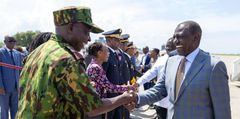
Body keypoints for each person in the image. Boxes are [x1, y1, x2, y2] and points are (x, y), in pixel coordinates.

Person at [16, 6, 134, 119]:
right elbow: (92, 107)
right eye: (86, 32)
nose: (89, 39)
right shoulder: (67, 59)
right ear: (71, 27)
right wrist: (124, 98)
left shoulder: (38, 52)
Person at [127, 20, 231, 119]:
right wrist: (136, 98)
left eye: (180, 37)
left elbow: (222, 110)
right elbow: (159, 90)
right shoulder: (171, 62)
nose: (175, 41)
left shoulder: (213, 66)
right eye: (174, 37)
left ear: (196, 38)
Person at [134, 38, 177, 119]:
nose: (168, 49)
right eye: (167, 47)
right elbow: (151, 73)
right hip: (161, 101)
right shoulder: (161, 60)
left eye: (171, 47)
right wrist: (138, 83)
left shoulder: (183, 59)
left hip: (176, 103)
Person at [102, 29, 131, 119]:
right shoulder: (105, 54)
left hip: (120, 93)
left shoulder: (119, 54)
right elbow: (103, 76)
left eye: (119, 40)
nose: (119, 42)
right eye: (116, 40)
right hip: (110, 96)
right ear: (109, 41)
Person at [0, 36, 23, 119]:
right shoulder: (1, 52)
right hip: (4, 88)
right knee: (4, 111)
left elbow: (21, 70)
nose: (13, 43)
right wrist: (0, 86)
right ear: (5, 42)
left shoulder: (18, 54)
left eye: (14, 41)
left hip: (15, 88)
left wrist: (20, 85)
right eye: (10, 41)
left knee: (15, 110)